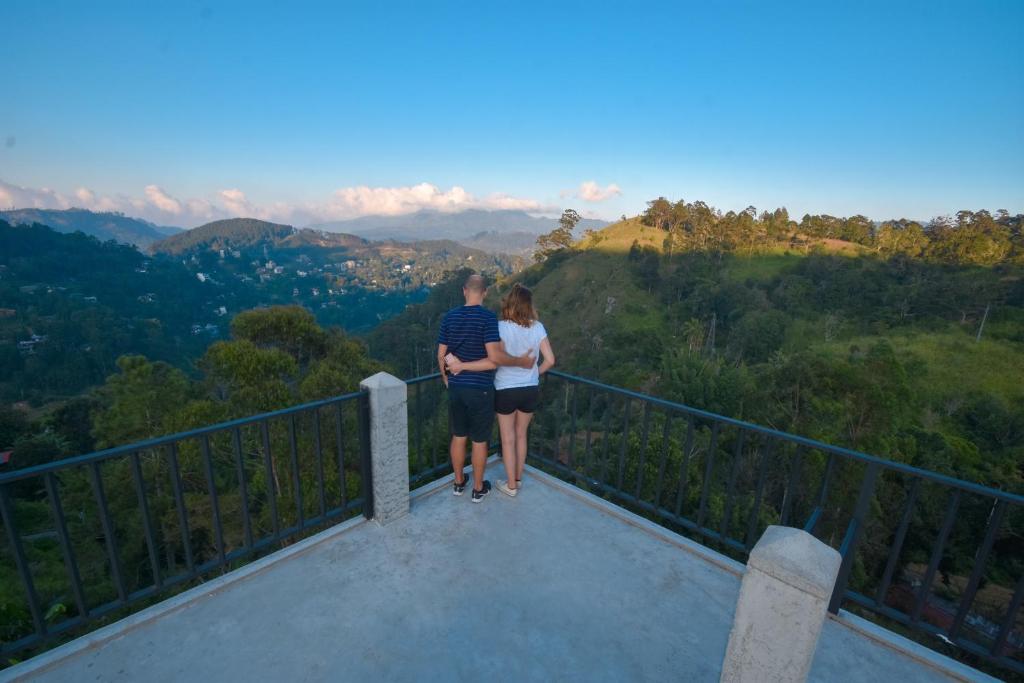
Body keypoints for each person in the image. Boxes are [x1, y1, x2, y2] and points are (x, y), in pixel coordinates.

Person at [447, 283, 554, 497]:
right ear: (529, 305)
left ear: (510, 303)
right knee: (521, 435)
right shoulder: (538, 327)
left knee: (507, 438)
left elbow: (496, 359)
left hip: (505, 389)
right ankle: (517, 479)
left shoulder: (501, 327)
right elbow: (550, 360)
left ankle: (510, 487)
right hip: (530, 389)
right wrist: (534, 374)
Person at [437, 274, 533, 503]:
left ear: (464, 290)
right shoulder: (488, 319)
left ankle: (459, 482)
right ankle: (478, 488)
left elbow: (441, 355)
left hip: (457, 388)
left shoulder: (449, 317)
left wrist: (448, 379)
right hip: (480, 389)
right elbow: (493, 360)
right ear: (485, 292)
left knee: (459, 436)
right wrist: (519, 361)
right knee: (479, 441)